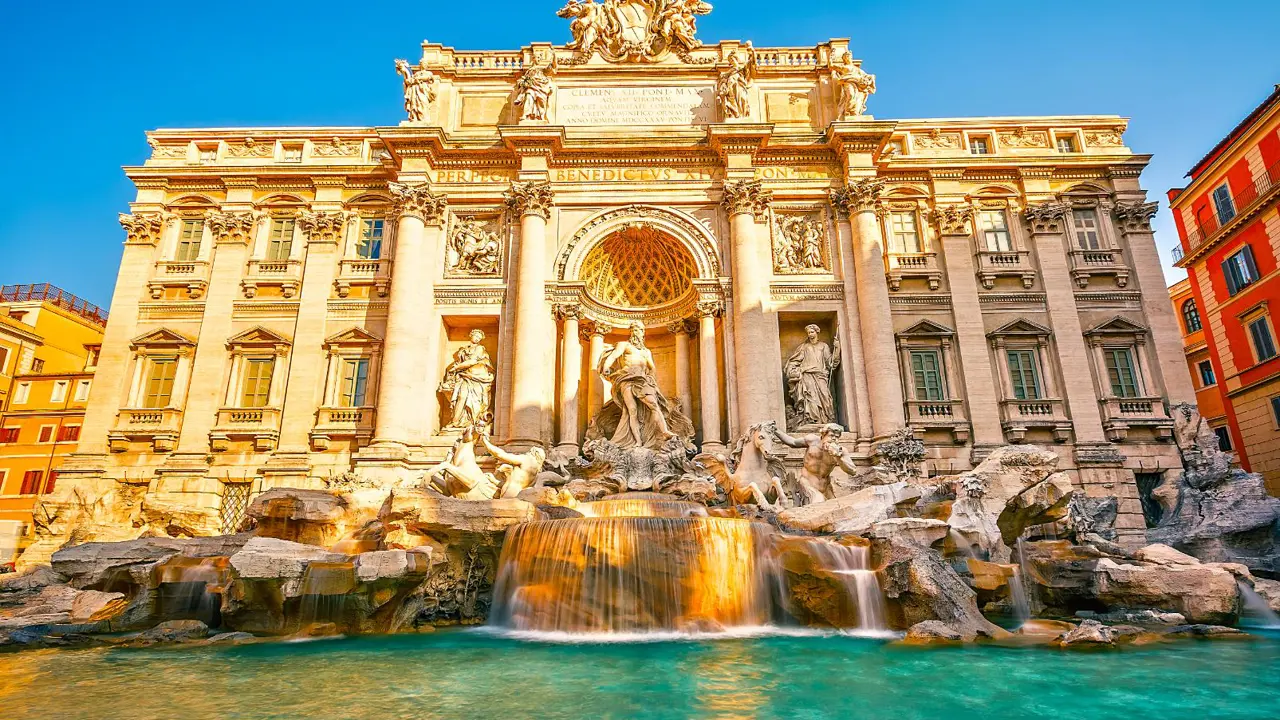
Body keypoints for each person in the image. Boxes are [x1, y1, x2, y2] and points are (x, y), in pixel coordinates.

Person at [773, 423, 854, 504]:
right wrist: (775, 430)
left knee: (835, 508)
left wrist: (839, 458)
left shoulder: (841, 451)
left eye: (836, 437)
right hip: (807, 483)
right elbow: (793, 442)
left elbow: (852, 471)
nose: (834, 439)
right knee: (819, 502)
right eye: (831, 435)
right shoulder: (812, 441)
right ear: (823, 435)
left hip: (825, 487)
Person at [784, 325, 841, 427]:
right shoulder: (804, 347)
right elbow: (794, 361)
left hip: (820, 376)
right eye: (809, 333)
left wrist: (837, 349)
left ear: (817, 332)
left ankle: (824, 419)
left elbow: (831, 363)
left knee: (825, 397)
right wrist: (794, 371)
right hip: (807, 376)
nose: (810, 334)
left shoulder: (823, 346)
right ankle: (811, 420)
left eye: (812, 332)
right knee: (810, 398)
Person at [439, 330, 495, 431]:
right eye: (475, 336)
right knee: (461, 396)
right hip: (464, 376)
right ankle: (455, 421)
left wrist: (457, 368)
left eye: (479, 337)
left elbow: (472, 361)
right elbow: (460, 362)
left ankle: (472, 422)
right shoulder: (464, 350)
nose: (477, 338)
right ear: (471, 336)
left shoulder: (479, 348)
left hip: (477, 378)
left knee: (474, 401)